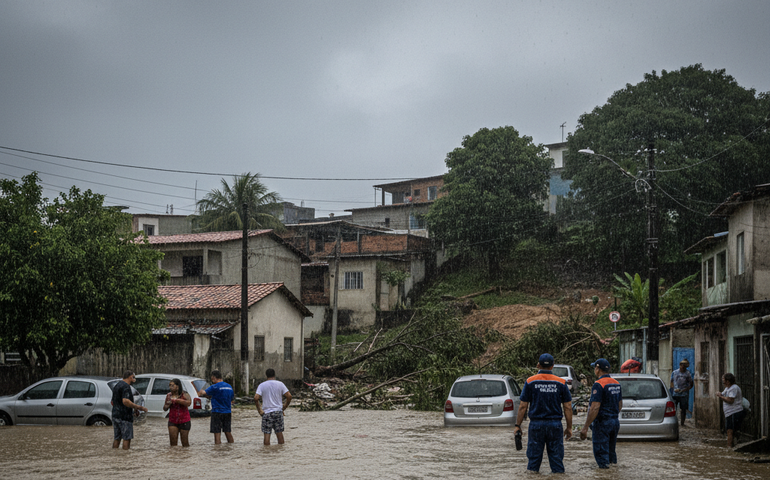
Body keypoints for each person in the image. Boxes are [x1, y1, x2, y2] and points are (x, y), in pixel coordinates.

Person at [514, 353, 573, 474]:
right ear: (552, 366)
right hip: (555, 426)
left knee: (533, 463)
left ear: (538, 365)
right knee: (557, 461)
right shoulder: (561, 383)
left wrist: (517, 425)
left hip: (536, 425)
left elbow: (523, 406)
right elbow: (568, 407)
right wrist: (569, 427)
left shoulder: (530, 382)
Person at [580, 358, 622, 469]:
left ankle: (605, 475)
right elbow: (620, 405)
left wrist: (585, 427)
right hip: (614, 422)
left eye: (595, 367)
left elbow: (595, 407)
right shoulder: (616, 384)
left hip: (602, 423)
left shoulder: (598, 384)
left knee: (601, 454)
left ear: (598, 369)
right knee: (611, 452)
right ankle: (613, 473)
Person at [111, 370, 149, 450]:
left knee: (117, 438)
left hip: (115, 416)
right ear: (130, 377)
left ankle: (114, 455)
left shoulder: (117, 385)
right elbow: (125, 401)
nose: (134, 380)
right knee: (126, 438)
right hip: (125, 417)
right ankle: (125, 457)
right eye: (134, 377)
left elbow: (112, 401)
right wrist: (138, 407)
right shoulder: (126, 387)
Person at [254, 368, 293, 445]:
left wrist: (259, 410)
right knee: (279, 433)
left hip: (267, 413)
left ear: (266, 375)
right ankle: (281, 453)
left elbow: (256, 398)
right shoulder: (280, 384)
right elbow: (289, 396)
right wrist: (284, 407)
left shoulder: (262, 385)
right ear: (274, 375)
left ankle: (267, 453)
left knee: (267, 434)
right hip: (278, 412)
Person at [198, 369, 235, 444]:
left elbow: (202, 393)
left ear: (214, 377)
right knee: (228, 431)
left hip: (217, 412)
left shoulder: (214, 387)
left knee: (217, 433)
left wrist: (201, 391)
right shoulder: (229, 386)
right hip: (227, 412)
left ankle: (217, 451)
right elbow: (231, 399)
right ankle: (231, 447)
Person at [716, 373, 744, 448]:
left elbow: (730, 400)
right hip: (730, 413)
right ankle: (733, 445)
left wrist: (721, 397)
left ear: (728, 381)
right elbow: (723, 394)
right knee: (730, 431)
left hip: (734, 412)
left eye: (723, 380)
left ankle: (729, 448)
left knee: (730, 431)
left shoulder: (733, 388)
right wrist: (720, 394)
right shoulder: (728, 388)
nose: (723, 382)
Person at [164, 378, 192, 447]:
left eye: (172, 385)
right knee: (173, 445)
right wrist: (168, 404)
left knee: (185, 444)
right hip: (172, 421)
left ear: (177, 386)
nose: (170, 387)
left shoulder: (185, 394)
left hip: (184, 421)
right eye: (170, 385)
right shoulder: (169, 395)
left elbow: (189, 403)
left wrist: (177, 400)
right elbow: (165, 408)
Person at [670, 359, 694, 426]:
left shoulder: (688, 373)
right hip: (675, 394)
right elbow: (671, 382)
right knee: (673, 408)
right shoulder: (674, 372)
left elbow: (691, 384)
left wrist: (686, 389)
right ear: (680, 365)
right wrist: (672, 389)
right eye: (682, 365)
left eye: (684, 366)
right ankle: (673, 422)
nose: (683, 367)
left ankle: (682, 423)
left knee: (683, 409)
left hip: (684, 394)